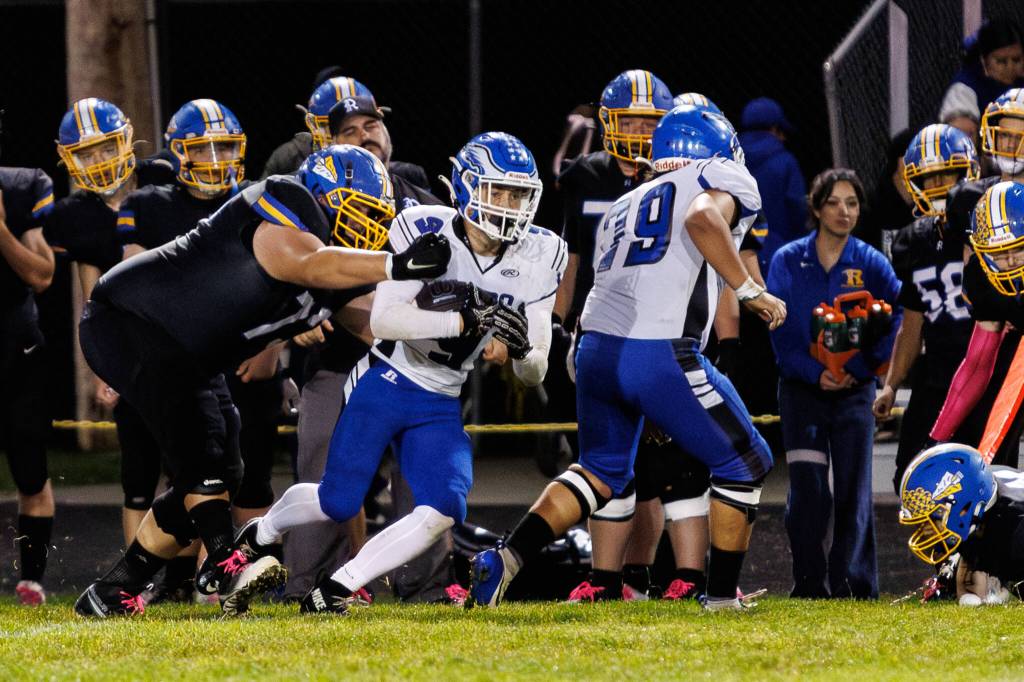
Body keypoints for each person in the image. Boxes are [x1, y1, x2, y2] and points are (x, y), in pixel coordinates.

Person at [72, 144, 451, 617]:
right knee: (203, 455)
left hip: (189, 353)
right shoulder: (285, 200)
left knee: (224, 466)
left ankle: (111, 593)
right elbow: (308, 264)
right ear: (324, 196)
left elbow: (379, 325)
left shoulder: (343, 264)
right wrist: (395, 264)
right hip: (129, 321)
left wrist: (464, 323)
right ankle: (229, 564)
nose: (366, 228)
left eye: (374, 217)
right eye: (357, 213)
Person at [210, 131, 566, 615]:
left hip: (442, 396)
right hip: (388, 377)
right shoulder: (424, 227)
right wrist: (464, 320)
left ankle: (335, 588)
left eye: (517, 196)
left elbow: (532, 371)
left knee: (444, 508)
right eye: (496, 191)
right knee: (339, 500)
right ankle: (263, 532)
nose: (507, 206)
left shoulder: (540, 255)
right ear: (465, 188)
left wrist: (525, 348)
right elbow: (384, 321)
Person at [470, 105, 786, 612]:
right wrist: (749, 290)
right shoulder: (717, 174)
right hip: (659, 350)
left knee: (600, 472)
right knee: (746, 460)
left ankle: (506, 558)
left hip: (594, 349)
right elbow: (703, 217)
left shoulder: (626, 199)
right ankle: (722, 597)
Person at [284, 90, 445, 604]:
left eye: (371, 124)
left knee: (424, 468)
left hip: (412, 362)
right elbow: (282, 267)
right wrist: (296, 316)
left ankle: (427, 584)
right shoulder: (307, 195)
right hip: (336, 359)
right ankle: (308, 584)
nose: (364, 135)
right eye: (348, 130)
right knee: (325, 469)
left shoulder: (418, 192)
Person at [115, 98, 276, 601]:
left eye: (225, 146)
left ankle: (235, 580)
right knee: (186, 473)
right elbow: (133, 287)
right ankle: (179, 579)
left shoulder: (256, 200)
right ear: (179, 153)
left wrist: (270, 342)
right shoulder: (148, 205)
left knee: (251, 477)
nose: (214, 157)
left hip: (241, 354)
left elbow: (280, 281)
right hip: (178, 360)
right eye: (202, 147)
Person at [551, 69, 674, 602]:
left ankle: (637, 577)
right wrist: (555, 326)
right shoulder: (583, 176)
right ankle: (608, 576)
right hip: (596, 335)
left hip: (653, 335)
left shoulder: (677, 179)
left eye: (652, 123)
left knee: (649, 472)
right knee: (602, 463)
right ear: (608, 122)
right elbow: (571, 256)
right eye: (632, 121)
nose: (643, 133)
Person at [43, 97, 174, 575]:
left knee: (198, 470)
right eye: (86, 153)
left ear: (127, 139)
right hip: (133, 352)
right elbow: (92, 300)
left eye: (105, 148)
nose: (98, 161)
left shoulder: (166, 176)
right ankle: (138, 579)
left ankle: (196, 574)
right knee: (138, 474)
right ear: (68, 158)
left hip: (187, 338)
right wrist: (103, 364)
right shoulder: (76, 215)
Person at [768, 168, 901, 599]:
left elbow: (901, 315)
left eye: (853, 203)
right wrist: (813, 372)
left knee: (853, 491)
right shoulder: (788, 259)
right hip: (802, 393)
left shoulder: (872, 262)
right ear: (815, 206)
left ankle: (856, 587)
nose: (845, 211)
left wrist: (865, 368)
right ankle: (808, 583)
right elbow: (779, 326)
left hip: (854, 394)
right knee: (807, 491)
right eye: (835, 202)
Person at [873, 125, 1019, 490]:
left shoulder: (990, 226)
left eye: (946, 176)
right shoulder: (920, 245)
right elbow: (916, 327)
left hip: (1000, 378)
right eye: (928, 178)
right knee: (916, 481)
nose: (938, 188)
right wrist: (892, 385)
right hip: (944, 377)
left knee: (992, 489)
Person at [0, 137, 55, 605]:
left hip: (17, 353)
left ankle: (31, 581)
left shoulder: (20, 189)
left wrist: (0, 231)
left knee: (31, 475)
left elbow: (42, 274)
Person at [898, 443, 1020, 606]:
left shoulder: (1014, 529)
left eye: (934, 518)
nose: (926, 531)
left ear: (963, 508)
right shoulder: (981, 496)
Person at [737, 97, 807, 272]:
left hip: (732, 252)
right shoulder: (785, 161)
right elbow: (798, 208)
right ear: (775, 129)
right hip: (777, 253)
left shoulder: (728, 159)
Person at [940, 20, 1024, 141]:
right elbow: (959, 140)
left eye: (1016, 60)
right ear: (984, 60)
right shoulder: (965, 88)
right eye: (1001, 61)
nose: (1010, 67)